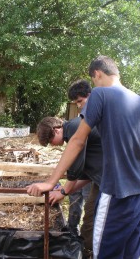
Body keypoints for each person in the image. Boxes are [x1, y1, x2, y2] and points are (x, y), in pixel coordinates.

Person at [27, 55, 140, 259]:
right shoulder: (136, 100)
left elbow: (77, 141)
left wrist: (51, 182)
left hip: (116, 192)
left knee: (103, 252)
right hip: (136, 194)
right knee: (131, 252)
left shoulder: (100, 94)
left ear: (97, 74)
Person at [37, 116, 102, 257]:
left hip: (112, 179)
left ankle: (95, 252)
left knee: (101, 220)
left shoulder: (74, 126)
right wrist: (63, 191)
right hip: (100, 179)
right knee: (90, 215)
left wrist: (63, 191)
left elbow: (75, 168)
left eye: (50, 141)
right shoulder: (72, 133)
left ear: (56, 129)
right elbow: (85, 175)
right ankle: (87, 251)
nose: (52, 145)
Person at [66, 80, 92, 237]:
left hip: (93, 173)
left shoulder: (79, 123)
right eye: (77, 103)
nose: (79, 106)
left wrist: (65, 187)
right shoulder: (82, 119)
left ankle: (87, 243)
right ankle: (72, 231)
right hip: (85, 171)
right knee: (75, 198)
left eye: (81, 101)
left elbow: (78, 149)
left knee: (91, 206)